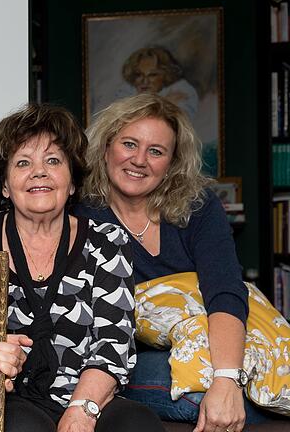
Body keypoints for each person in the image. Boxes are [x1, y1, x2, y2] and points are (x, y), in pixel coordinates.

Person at [0, 103, 164, 432]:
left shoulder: (107, 241)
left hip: (88, 395)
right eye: (23, 163)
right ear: (5, 185)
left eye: (53, 161)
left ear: (73, 181)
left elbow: (113, 343)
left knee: (138, 425)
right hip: (10, 397)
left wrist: (82, 409)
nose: (39, 172)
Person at [73, 93, 265, 431]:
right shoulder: (81, 213)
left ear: (173, 163)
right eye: (129, 144)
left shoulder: (198, 205)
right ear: (105, 148)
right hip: (124, 357)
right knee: (198, 394)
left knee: (227, 387)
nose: (140, 160)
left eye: (156, 151)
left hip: (210, 341)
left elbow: (225, 291)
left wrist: (226, 379)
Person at [117, 46, 198, 118]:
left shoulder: (182, 88)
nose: (145, 81)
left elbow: (178, 123)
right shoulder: (126, 90)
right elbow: (123, 119)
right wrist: (164, 103)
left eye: (152, 75)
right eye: (139, 74)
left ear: (166, 75)